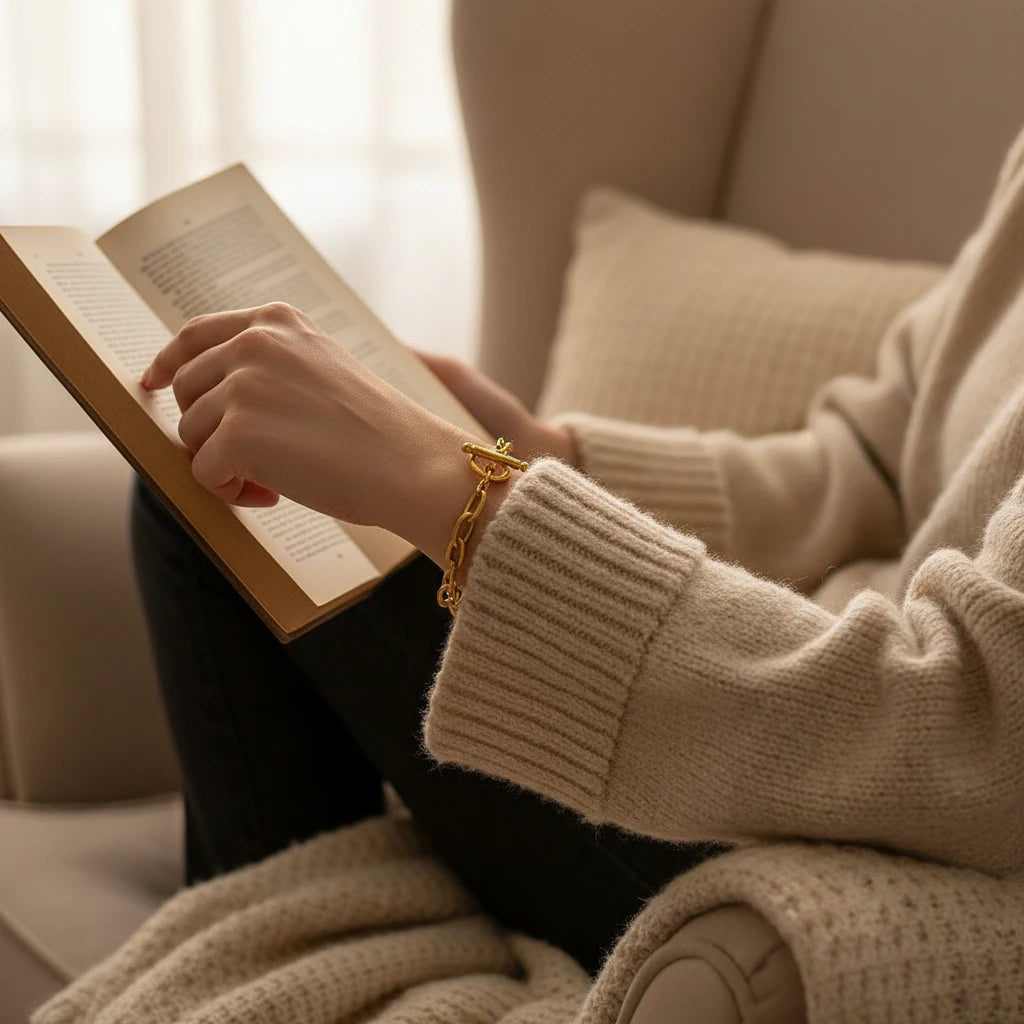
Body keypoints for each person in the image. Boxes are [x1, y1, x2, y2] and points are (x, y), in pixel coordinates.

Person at [132, 126, 1024, 978]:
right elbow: (867, 464)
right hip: (793, 716)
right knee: (216, 457)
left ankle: (280, 957)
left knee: (208, 483)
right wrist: (548, 452)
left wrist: (460, 488)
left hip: (840, 837)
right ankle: (290, 953)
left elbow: (978, 733)